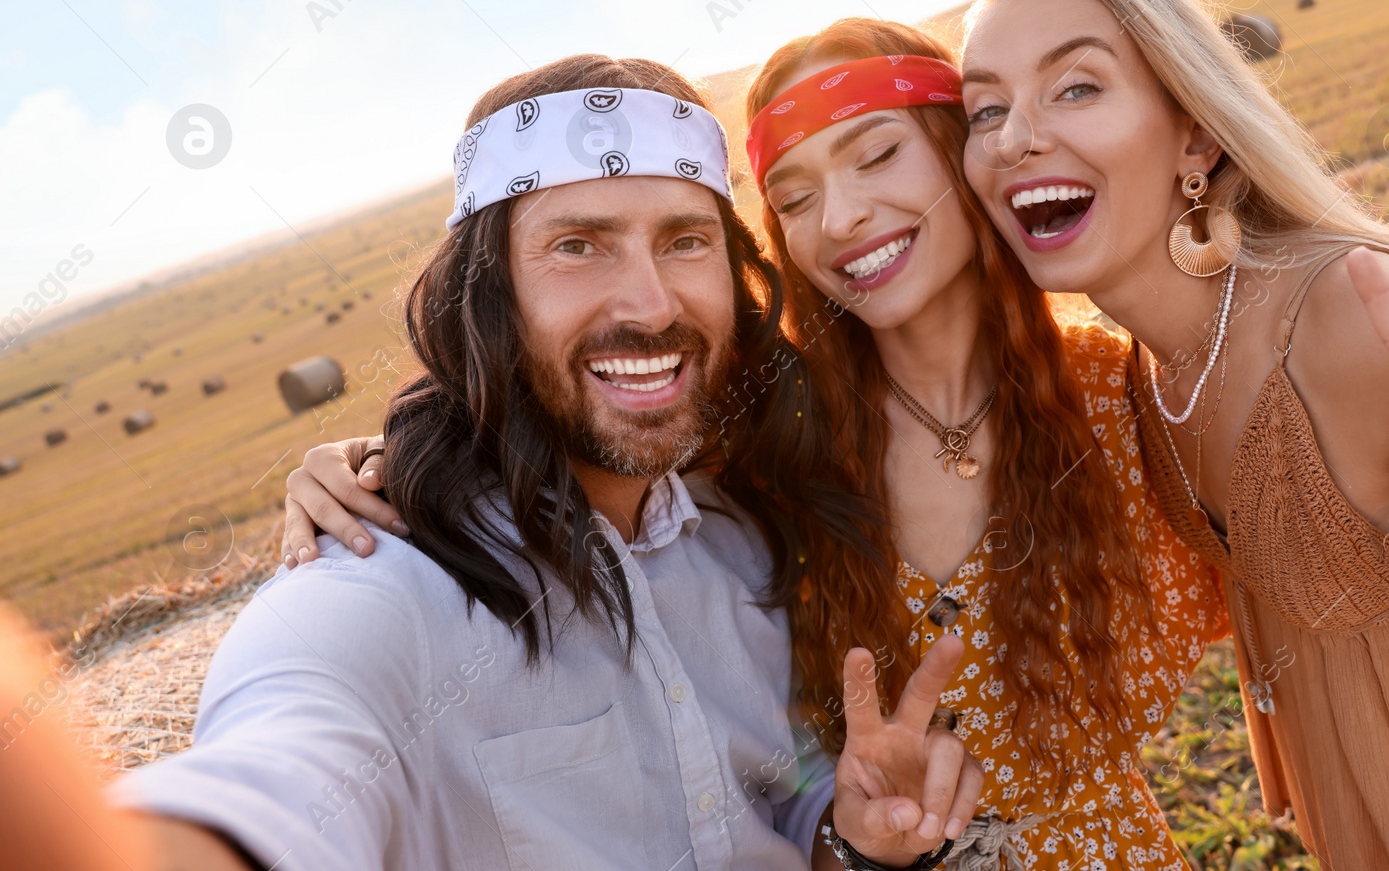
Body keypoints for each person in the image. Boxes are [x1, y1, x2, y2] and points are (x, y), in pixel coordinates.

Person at [283, 21, 1230, 871]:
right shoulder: (766, 433)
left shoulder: (1115, 389)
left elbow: (1281, 574)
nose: (844, 216)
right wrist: (395, 454)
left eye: (878, 155)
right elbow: (584, 417)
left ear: (965, 158)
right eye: (795, 194)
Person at [108, 55, 983, 871]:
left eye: (684, 241)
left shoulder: (744, 537)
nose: (650, 303)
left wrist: (852, 833)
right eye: (578, 245)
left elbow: (776, 805)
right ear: (489, 297)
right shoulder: (379, 592)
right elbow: (273, 774)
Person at [958, 0, 1389, 870]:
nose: (1015, 137)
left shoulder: (1353, 316)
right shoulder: (1145, 379)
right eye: (986, 109)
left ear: (1195, 134)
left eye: (1077, 87)